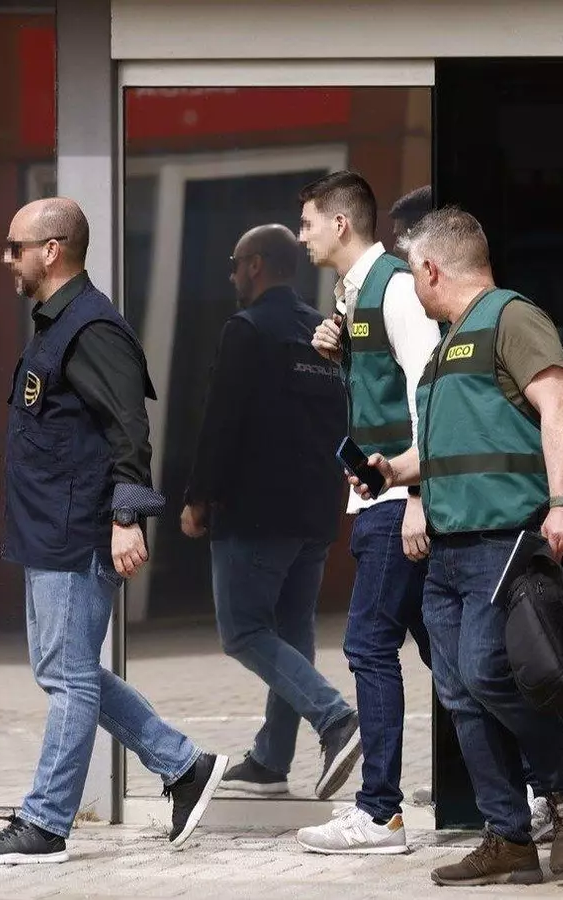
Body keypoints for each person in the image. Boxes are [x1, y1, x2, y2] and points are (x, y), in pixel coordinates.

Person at [0, 198, 226, 865]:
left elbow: (130, 428)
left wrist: (126, 518)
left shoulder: (92, 327)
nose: (6, 259)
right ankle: (184, 766)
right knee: (64, 670)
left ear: (51, 250)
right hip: (49, 528)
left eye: (15, 247)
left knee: (69, 679)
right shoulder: (56, 324)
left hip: (77, 530)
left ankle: (45, 823)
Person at [350, 207, 563, 886]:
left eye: (413, 272)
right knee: (460, 692)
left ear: (432, 269)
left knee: (488, 673)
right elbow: (444, 452)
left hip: (504, 540)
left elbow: (558, 410)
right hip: (447, 549)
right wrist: (390, 471)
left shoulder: (511, 318)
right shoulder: (445, 348)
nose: (413, 286)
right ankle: (508, 838)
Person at [286, 171, 442, 853]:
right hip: (382, 496)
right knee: (451, 656)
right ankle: (544, 785)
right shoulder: (355, 295)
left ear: (341, 224)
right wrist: (340, 351)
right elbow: (382, 387)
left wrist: (417, 498)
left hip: (400, 499)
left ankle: (380, 813)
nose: (302, 236)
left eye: (308, 223)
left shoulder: (396, 287)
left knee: (369, 646)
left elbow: (429, 391)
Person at [180, 223, 362, 801]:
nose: (233, 274)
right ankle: (271, 760)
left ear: (255, 264)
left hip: (257, 513)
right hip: (313, 512)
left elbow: (221, 421)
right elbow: (343, 418)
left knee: (243, 632)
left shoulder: (248, 329)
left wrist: (197, 497)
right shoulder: (320, 330)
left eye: (236, 263)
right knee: (290, 633)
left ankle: (335, 719)